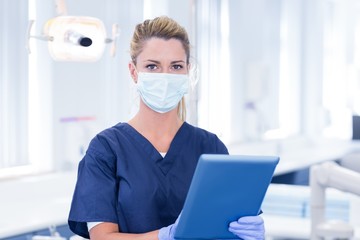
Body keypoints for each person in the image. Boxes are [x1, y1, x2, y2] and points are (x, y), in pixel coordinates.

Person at [68, 16, 265, 240]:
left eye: (176, 66)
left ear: (187, 71)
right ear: (134, 72)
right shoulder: (107, 149)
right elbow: (102, 238)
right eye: (152, 66)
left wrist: (246, 233)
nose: (165, 76)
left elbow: (223, 225)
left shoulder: (210, 147)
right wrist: (163, 236)